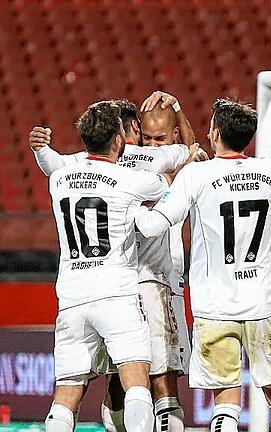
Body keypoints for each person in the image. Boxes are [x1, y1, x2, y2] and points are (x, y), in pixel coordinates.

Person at [30, 94, 202, 432]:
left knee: (67, 396)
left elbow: (53, 163)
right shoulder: (135, 177)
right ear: (122, 136)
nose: (149, 145)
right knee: (137, 383)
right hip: (121, 292)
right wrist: (183, 175)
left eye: (158, 138)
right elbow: (177, 164)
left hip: (74, 297)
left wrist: (40, 149)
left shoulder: (62, 177)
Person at [135, 99, 271, 432]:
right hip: (263, 304)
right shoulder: (269, 171)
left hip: (214, 307)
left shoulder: (197, 175)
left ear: (214, 133)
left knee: (226, 401)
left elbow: (154, 224)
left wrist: (129, 209)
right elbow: (268, 180)